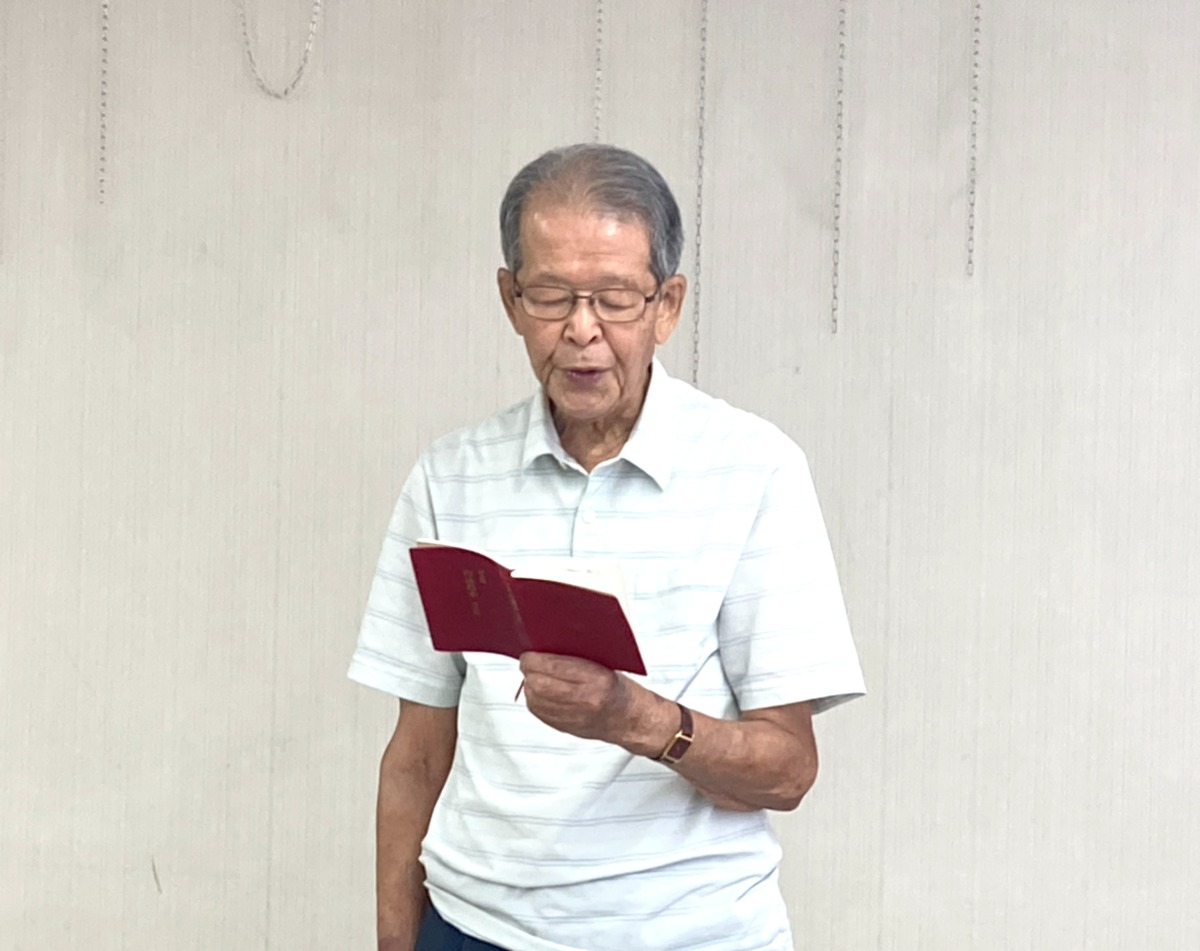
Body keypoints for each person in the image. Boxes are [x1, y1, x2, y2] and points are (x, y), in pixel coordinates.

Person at [349, 143, 866, 951]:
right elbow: (415, 757)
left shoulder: (754, 470)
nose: (581, 329)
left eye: (616, 299)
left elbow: (788, 770)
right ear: (510, 299)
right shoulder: (450, 477)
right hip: (473, 928)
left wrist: (636, 718)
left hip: (691, 935)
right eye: (550, 295)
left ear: (668, 305)